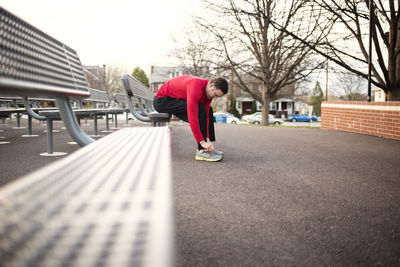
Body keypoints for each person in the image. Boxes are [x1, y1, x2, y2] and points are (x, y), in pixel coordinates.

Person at [153, 75, 228, 162]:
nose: (215, 98)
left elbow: (206, 116)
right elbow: (193, 115)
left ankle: (207, 148)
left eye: (217, 96)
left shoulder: (208, 93)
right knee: (200, 111)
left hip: (175, 101)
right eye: (215, 94)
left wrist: (207, 138)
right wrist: (201, 141)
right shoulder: (196, 86)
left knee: (208, 111)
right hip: (162, 101)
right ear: (211, 85)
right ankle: (202, 150)